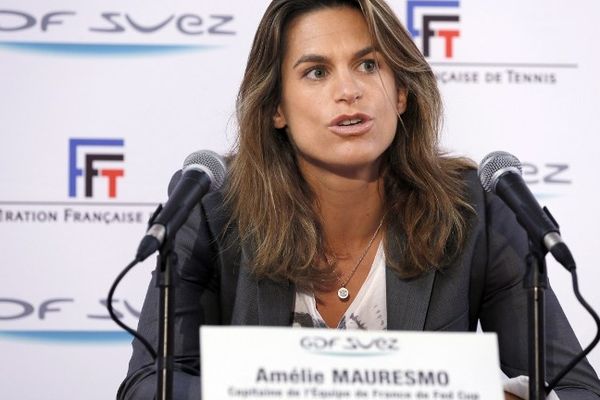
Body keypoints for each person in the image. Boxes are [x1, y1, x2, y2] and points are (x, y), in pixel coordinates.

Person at [118, 0, 600, 398]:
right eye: (316, 72)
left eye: (369, 65)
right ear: (276, 108)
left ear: (402, 93)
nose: (348, 91)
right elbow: (146, 384)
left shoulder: (475, 212)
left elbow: (576, 389)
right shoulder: (211, 210)